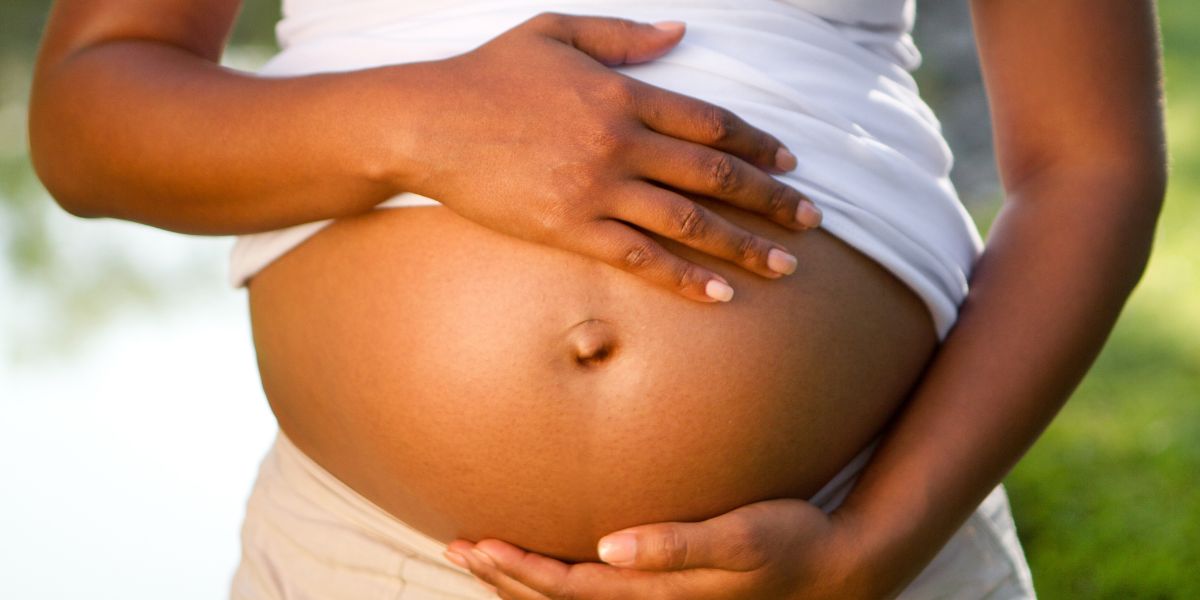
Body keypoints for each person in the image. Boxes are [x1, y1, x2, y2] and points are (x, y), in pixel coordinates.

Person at [28, 0, 1165, 598]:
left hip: (855, 535)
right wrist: (419, 129)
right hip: (370, 563)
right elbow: (86, 117)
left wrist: (872, 548)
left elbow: (1092, 161)